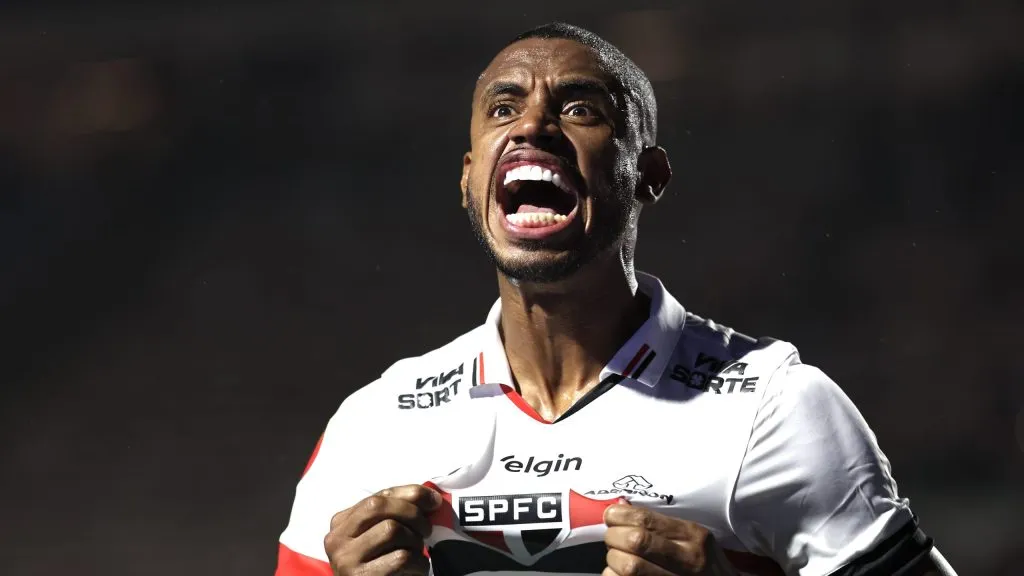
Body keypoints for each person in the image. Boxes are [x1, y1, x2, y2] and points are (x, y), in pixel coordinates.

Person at [276, 22, 957, 576]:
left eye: (579, 109)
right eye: (503, 109)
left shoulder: (774, 407)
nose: (533, 126)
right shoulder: (376, 425)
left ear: (648, 175)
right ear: (469, 178)